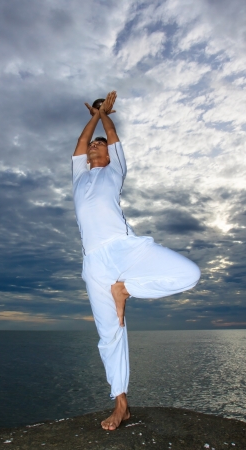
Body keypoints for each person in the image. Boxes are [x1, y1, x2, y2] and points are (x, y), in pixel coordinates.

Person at [71, 91, 201, 431]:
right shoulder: (79, 177)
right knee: (110, 335)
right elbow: (82, 139)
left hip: (124, 248)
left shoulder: (116, 171)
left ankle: (126, 288)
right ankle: (122, 404)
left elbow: (112, 137)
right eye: (93, 146)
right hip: (94, 264)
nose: (97, 145)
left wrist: (105, 116)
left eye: (102, 145)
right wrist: (95, 115)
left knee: (190, 273)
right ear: (87, 156)